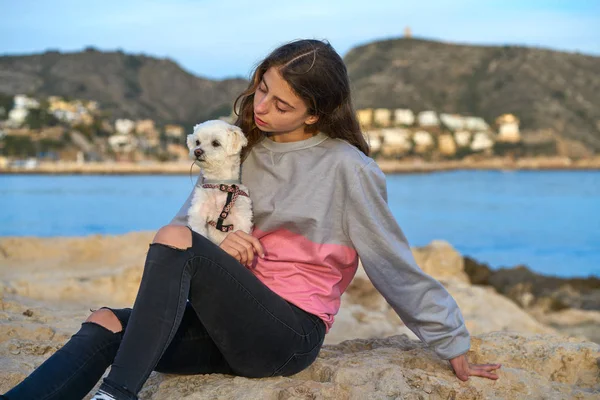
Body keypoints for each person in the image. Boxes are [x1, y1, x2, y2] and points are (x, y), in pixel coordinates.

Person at [3, 39, 501, 400]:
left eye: (281, 103)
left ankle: (117, 395)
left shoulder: (349, 169)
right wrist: (217, 248)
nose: (261, 107)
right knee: (105, 322)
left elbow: (392, 263)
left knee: (173, 240)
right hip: (222, 324)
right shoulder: (238, 149)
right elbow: (189, 229)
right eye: (262, 89)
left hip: (286, 336)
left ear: (314, 115)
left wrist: (450, 339)